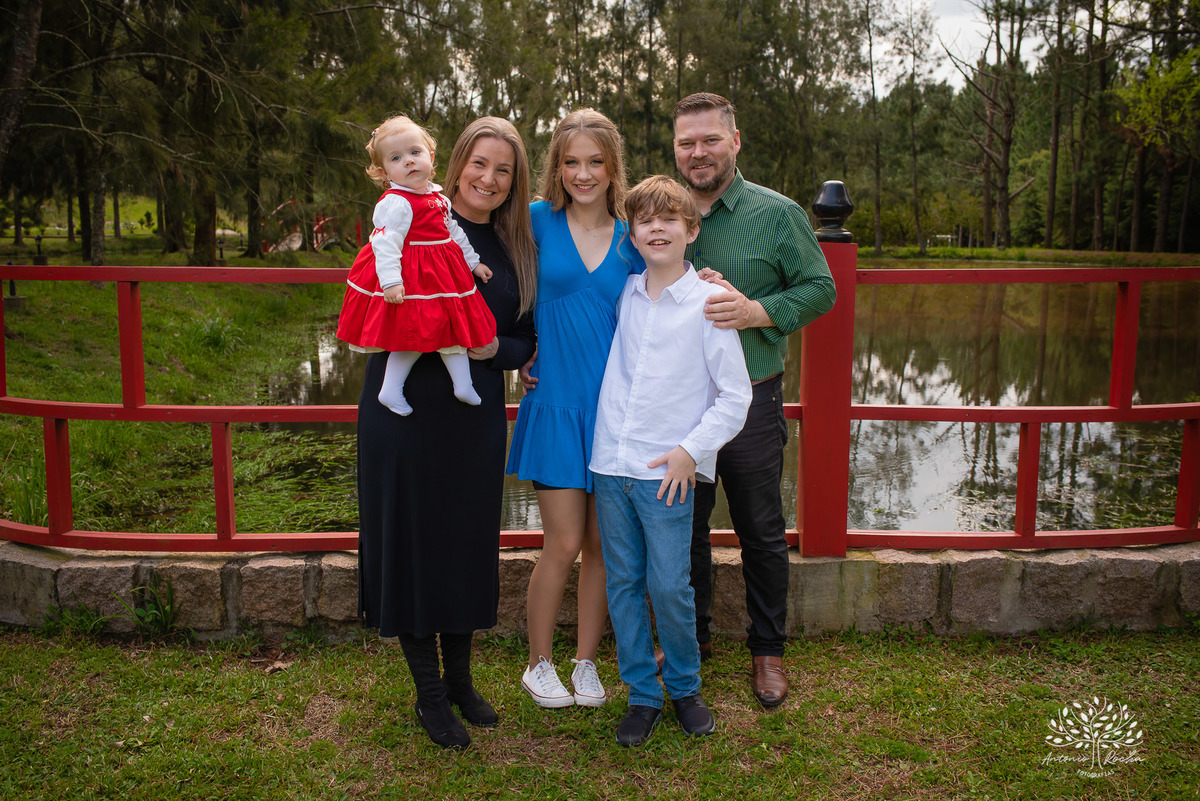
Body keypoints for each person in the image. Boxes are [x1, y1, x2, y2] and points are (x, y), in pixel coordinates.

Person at [355, 116, 537, 750]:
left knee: (463, 543)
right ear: (454, 163)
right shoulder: (407, 216)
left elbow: (525, 338)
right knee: (411, 542)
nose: (489, 178)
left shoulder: (515, 247)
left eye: (504, 170)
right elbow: (374, 295)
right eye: (479, 163)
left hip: (471, 410)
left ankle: (460, 680)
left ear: (514, 181)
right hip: (403, 410)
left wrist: (494, 351)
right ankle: (429, 694)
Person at [672, 92, 836, 708]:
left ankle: (768, 650)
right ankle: (691, 640)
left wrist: (755, 311)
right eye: (687, 142)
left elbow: (820, 289)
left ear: (734, 141)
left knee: (761, 531)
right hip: (679, 406)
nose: (699, 153)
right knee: (683, 529)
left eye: (710, 140)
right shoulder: (658, 210)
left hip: (752, 402)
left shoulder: (778, 213)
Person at [591, 175, 751, 747]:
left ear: (692, 230)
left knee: (669, 587)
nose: (656, 228)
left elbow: (736, 397)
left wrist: (691, 451)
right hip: (610, 462)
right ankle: (641, 694)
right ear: (632, 234)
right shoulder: (625, 293)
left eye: (669, 219)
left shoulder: (709, 303)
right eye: (644, 220)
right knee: (624, 584)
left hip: (666, 472)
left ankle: (684, 687)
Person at [505, 108, 644, 709]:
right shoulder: (536, 220)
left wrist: (708, 281)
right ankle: (538, 664)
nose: (583, 174)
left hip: (613, 414)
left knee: (601, 549)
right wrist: (519, 348)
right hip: (557, 404)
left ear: (612, 167)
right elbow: (499, 284)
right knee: (561, 542)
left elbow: (666, 294)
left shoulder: (633, 235)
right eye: (571, 162)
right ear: (556, 168)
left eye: (594, 162)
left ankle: (585, 664)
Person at [337, 114, 497, 416]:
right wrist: (391, 281)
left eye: (415, 152)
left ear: (430, 157)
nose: (409, 161)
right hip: (414, 279)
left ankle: (463, 385)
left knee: (453, 329)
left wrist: (473, 263)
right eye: (396, 158)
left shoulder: (438, 198)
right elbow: (385, 243)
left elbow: (454, 232)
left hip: (445, 277)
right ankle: (390, 389)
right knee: (410, 337)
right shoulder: (397, 202)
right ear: (384, 172)